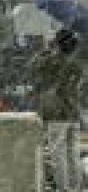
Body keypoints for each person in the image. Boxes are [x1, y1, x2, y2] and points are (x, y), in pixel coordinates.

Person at [32, 28, 84, 192]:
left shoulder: (52, 61)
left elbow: (34, 65)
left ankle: (64, 188)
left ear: (58, 44)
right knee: (73, 153)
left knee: (58, 154)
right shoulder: (77, 63)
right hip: (73, 113)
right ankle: (75, 187)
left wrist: (47, 48)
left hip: (57, 114)